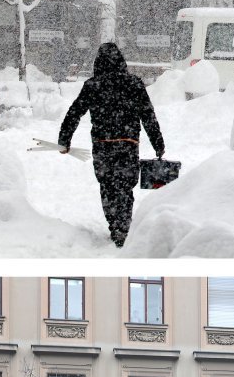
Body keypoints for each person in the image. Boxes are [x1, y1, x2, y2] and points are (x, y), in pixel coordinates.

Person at [58, 43, 165, 246]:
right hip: (128, 143)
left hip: (103, 145)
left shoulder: (93, 85)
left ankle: (115, 224)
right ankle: (123, 225)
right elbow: (148, 115)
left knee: (107, 186)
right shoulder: (134, 84)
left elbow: (75, 112)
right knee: (125, 187)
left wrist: (64, 139)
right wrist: (158, 143)